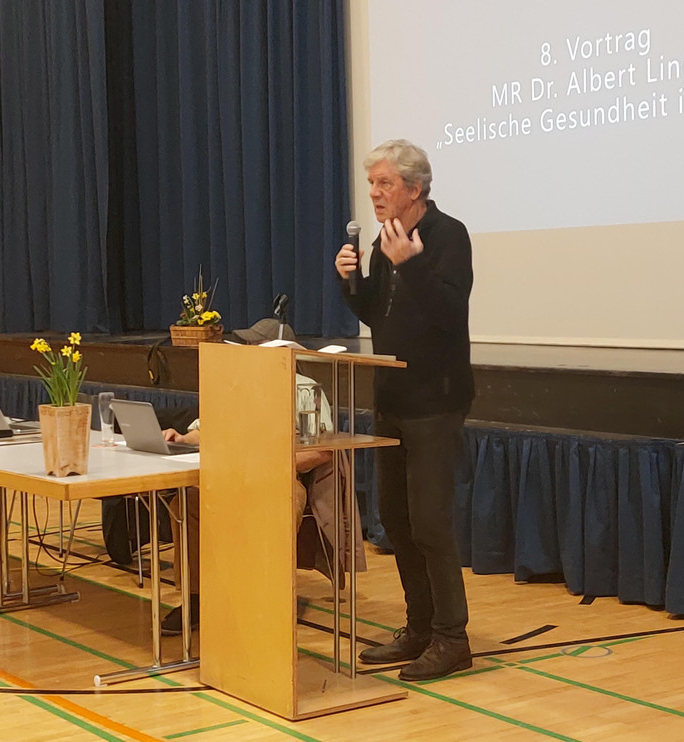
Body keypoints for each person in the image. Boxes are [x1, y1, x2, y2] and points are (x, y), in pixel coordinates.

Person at [334, 139, 474, 681]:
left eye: (385, 183)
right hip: (391, 398)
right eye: (372, 183)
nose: (374, 193)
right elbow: (378, 315)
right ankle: (419, 628)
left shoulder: (448, 236)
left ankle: (452, 638)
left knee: (431, 521)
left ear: (414, 189)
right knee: (394, 517)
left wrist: (409, 265)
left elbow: (448, 312)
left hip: (435, 400)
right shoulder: (384, 242)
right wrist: (350, 281)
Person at [157, 319, 366, 634]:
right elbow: (206, 428)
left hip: (282, 478)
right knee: (190, 501)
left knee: (281, 503)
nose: (248, 349)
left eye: (255, 345)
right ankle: (199, 597)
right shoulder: (236, 384)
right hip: (233, 475)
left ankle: (270, 597)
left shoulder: (305, 390)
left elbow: (321, 452)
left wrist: (267, 464)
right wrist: (181, 438)